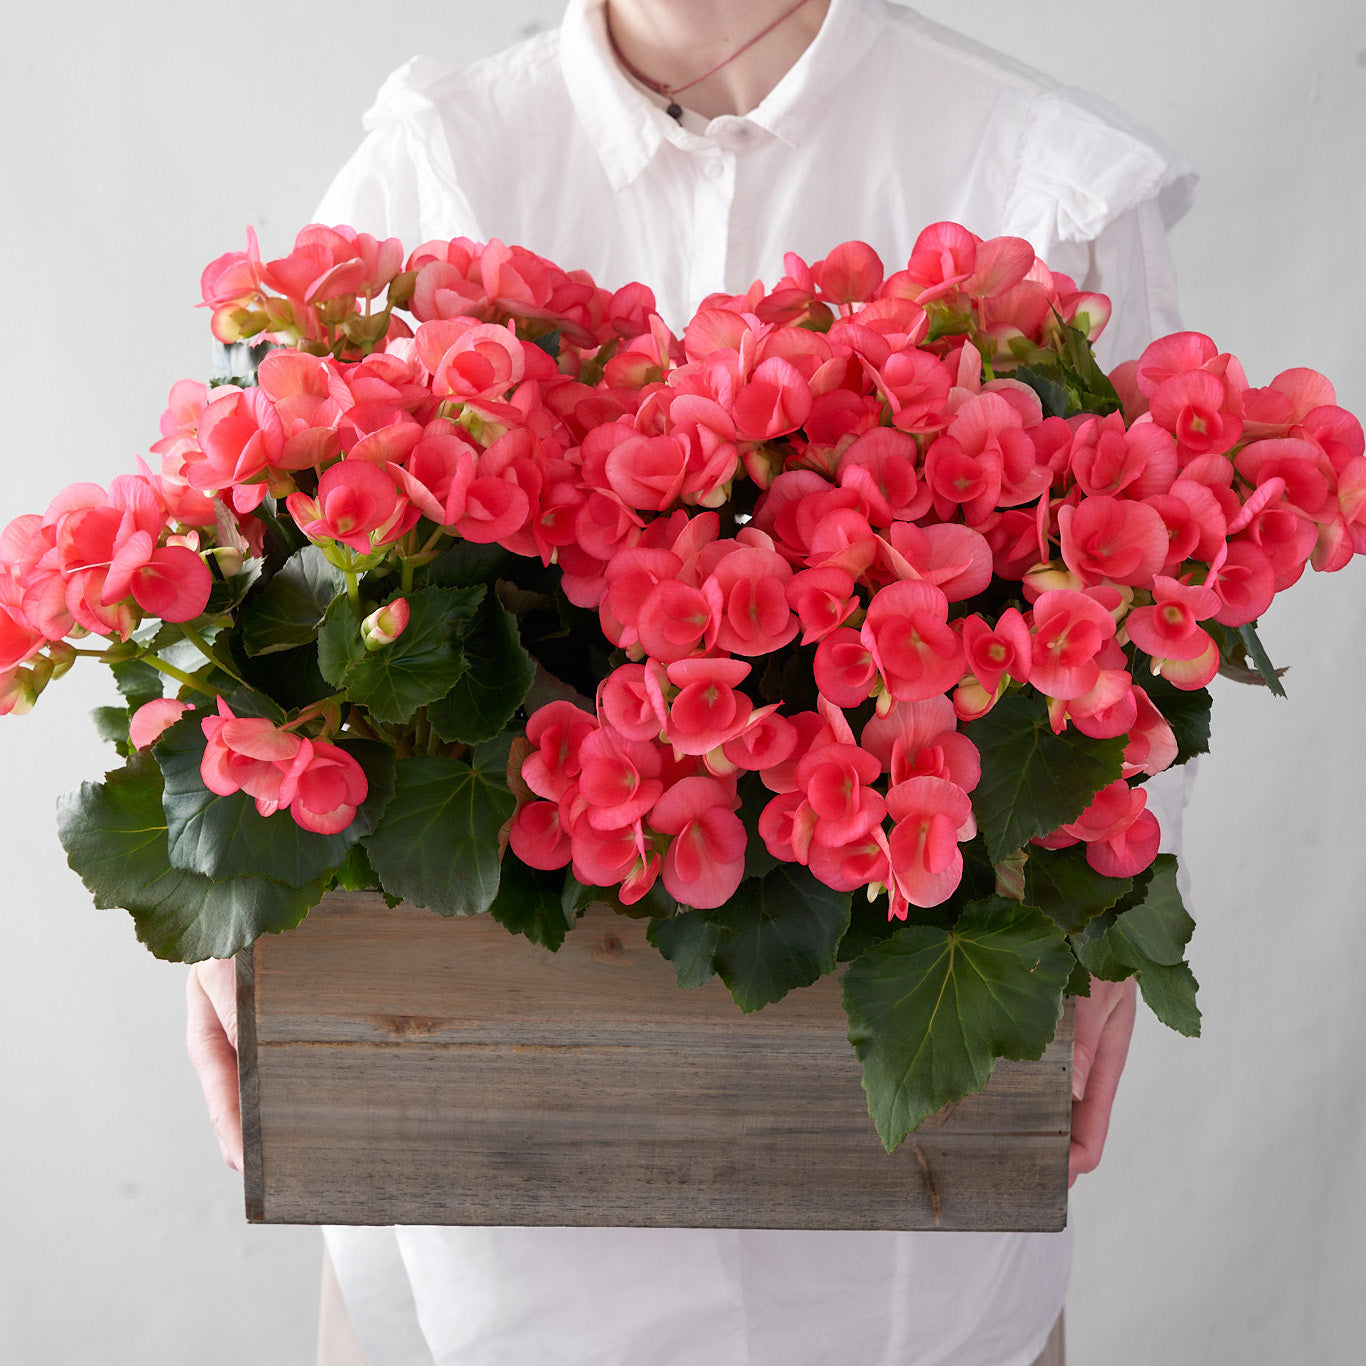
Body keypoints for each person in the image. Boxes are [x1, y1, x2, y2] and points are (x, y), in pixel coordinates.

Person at [187, 1, 1197, 1361]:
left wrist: (1116, 915)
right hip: (494, 1220)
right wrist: (223, 896)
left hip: (894, 1246)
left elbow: (1152, 663)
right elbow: (263, 595)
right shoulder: (430, 169)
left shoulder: (1045, 186)